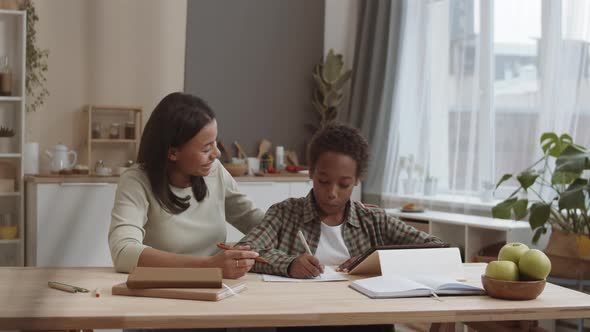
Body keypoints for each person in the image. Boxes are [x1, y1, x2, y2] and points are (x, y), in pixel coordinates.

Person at [238, 124, 444, 279]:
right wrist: (289, 264)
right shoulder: (285, 214)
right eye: (323, 181)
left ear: (357, 180)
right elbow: (244, 251)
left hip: (365, 318)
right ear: (311, 173)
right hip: (303, 317)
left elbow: (438, 249)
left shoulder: (374, 220)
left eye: (344, 184)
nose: (332, 193)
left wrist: (376, 263)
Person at [108, 92, 264, 279]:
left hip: (217, 287)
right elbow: (124, 252)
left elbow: (253, 220)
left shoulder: (214, 171)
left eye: (215, 143)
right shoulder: (136, 181)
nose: (216, 154)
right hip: (162, 290)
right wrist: (209, 266)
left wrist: (293, 227)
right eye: (206, 148)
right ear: (173, 153)